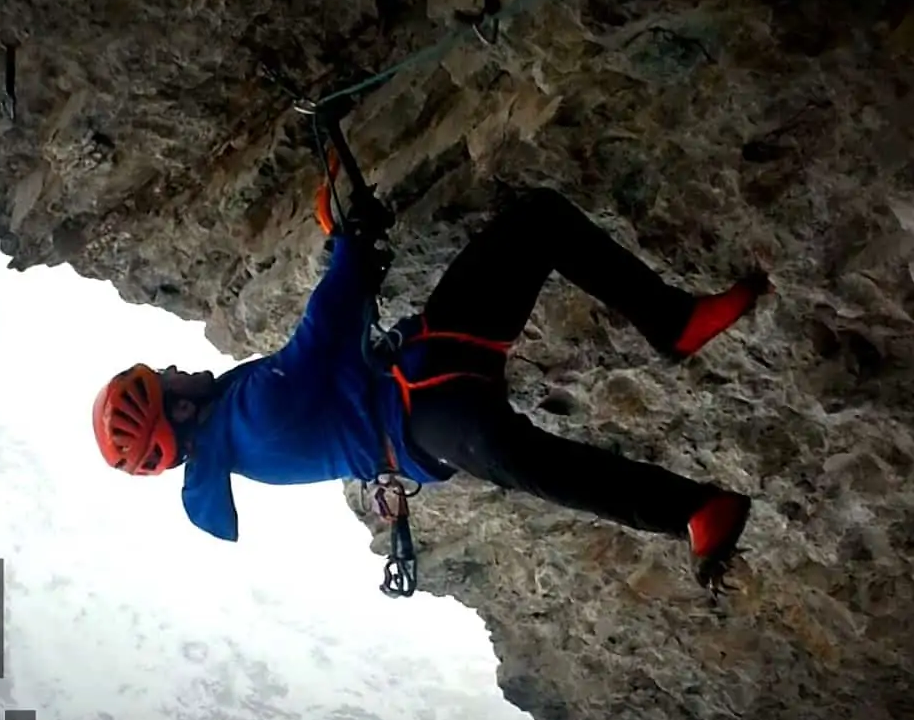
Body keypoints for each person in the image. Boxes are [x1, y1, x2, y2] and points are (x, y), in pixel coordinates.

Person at [92, 186, 771, 589]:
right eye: (164, 380)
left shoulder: (232, 428)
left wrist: (348, 247)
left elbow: (334, 347)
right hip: (426, 413)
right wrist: (350, 249)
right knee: (530, 462)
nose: (176, 370)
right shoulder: (248, 422)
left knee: (535, 224)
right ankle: (691, 510)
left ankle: (677, 329)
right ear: (174, 409)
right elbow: (318, 340)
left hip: (429, 374)